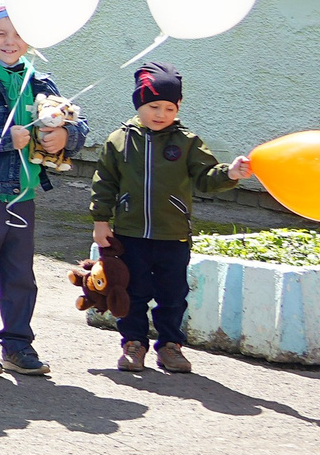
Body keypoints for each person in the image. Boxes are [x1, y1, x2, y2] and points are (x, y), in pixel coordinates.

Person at [92, 62, 252, 375]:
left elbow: (206, 177)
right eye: (153, 106)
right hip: (130, 235)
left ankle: (169, 346)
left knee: (173, 295)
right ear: (139, 104)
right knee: (133, 292)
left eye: (169, 107)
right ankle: (133, 344)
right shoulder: (119, 141)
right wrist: (101, 221)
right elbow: (104, 182)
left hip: (173, 236)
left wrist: (230, 174)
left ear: (178, 108)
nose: (161, 114)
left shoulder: (187, 142)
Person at [0, 0, 86, 377]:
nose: (9, 40)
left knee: (20, 275)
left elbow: (76, 123)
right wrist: (0, 137)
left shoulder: (39, 80)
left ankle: (17, 344)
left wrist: (65, 136)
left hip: (23, 195)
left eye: (18, 34)